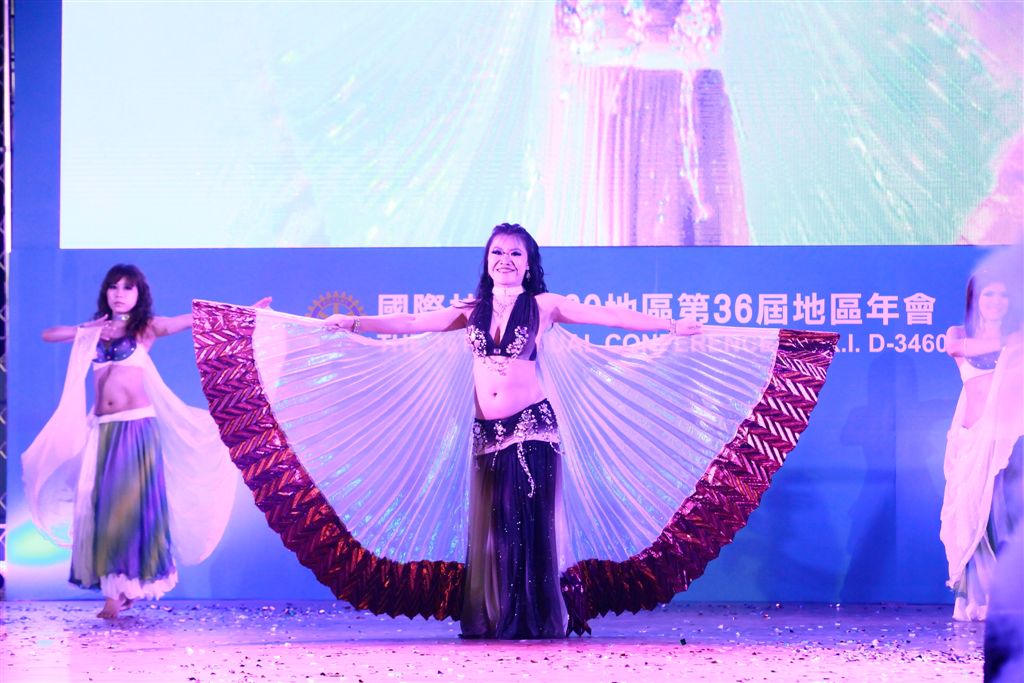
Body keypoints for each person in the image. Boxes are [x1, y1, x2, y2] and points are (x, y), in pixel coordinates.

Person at [190, 223, 839, 638]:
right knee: (496, 532)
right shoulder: (469, 310)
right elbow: (410, 325)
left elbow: (606, 315)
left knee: (530, 526)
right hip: (486, 433)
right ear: (488, 260)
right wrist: (352, 324)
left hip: (532, 429)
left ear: (529, 264)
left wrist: (668, 325)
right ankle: (499, 617)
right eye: (497, 253)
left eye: (515, 254)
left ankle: (537, 620)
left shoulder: (545, 306)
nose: (505, 260)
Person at [22, 264, 241, 619]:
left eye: (128, 287)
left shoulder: (145, 328)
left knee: (128, 511)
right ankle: (118, 588)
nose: (120, 293)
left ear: (139, 294)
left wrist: (242, 314)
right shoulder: (94, 332)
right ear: (105, 293)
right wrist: (85, 330)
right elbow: (49, 334)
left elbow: (189, 320)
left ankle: (119, 592)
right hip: (102, 429)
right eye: (114, 287)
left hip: (135, 428)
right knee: (103, 511)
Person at [941, 269, 1024, 621]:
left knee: (1003, 518)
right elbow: (955, 349)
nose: (996, 301)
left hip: (1008, 444)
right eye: (989, 294)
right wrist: (1007, 343)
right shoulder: (960, 333)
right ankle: (977, 597)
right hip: (971, 442)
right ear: (975, 299)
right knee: (970, 516)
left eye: (1003, 295)